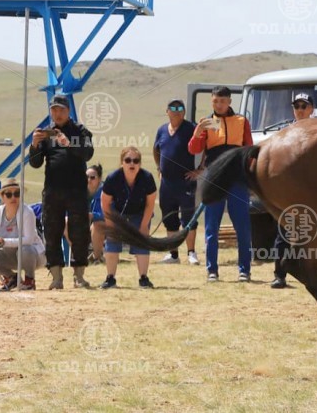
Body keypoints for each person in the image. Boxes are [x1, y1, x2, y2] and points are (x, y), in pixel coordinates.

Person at [28, 94, 95, 290]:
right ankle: (56, 277)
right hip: (53, 191)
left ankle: (79, 276)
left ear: (69, 111)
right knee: (52, 232)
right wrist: (34, 145)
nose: (57, 114)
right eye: (54, 110)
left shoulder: (80, 131)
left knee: (79, 232)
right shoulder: (46, 134)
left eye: (61, 110)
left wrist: (69, 143)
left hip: (76, 191)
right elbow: (35, 163)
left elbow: (88, 153)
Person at [189, 86, 253, 283]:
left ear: (229, 102)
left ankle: (244, 270)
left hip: (237, 179)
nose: (219, 105)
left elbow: (250, 149)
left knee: (242, 226)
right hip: (214, 180)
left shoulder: (241, 121)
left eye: (223, 101)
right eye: (215, 101)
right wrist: (198, 133)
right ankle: (212, 270)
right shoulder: (207, 122)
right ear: (212, 101)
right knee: (211, 227)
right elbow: (193, 149)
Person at [270, 91, 314, 290]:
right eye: (297, 106)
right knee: (284, 234)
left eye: (304, 106)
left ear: (311, 109)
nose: (300, 110)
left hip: (312, 191)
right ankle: (279, 275)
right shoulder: (284, 133)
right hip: (289, 191)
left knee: (311, 235)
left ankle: (311, 276)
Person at [100, 147, 157, 289]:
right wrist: (110, 223)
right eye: (128, 160)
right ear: (122, 163)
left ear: (140, 164)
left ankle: (144, 278)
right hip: (117, 212)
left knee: (142, 241)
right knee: (112, 240)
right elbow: (105, 202)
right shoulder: (113, 178)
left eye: (136, 161)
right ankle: (110, 278)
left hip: (140, 212)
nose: (132, 163)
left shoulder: (147, 178)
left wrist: (144, 225)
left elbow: (150, 204)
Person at [153, 98, 199, 265]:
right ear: (167, 112)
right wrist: (159, 168)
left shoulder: (191, 128)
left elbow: (206, 147)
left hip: (186, 181)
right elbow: (156, 149)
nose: (176, 111)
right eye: (173, 108)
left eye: (180, 108)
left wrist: (200, 169)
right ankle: (173, 254)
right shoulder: (162, 130)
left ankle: (191, 253)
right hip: (167, 183)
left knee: (189, 217)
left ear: (184, 112)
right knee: (169, 217)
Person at [0, 179, 45, 291]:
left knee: (25, 249)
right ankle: (11, 278)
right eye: (9, 195)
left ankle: (29, 279)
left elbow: (29, 240)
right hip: (8, 255)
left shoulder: (27, 212)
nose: (13, 198)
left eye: (17, 194)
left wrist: (4, 241)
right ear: (2, 197)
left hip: (32, 256)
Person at [87, 164, 105, 264]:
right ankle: (78, 257)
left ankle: (96, 258)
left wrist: (92, 215)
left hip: (106, 225)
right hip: (84, 223)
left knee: (97, 225)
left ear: (99, 179)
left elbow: (107, 214)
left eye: (92, 177)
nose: (89, 180)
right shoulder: (79, 191)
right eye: (86, 177)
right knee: (66, 222)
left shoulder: (106, 191)